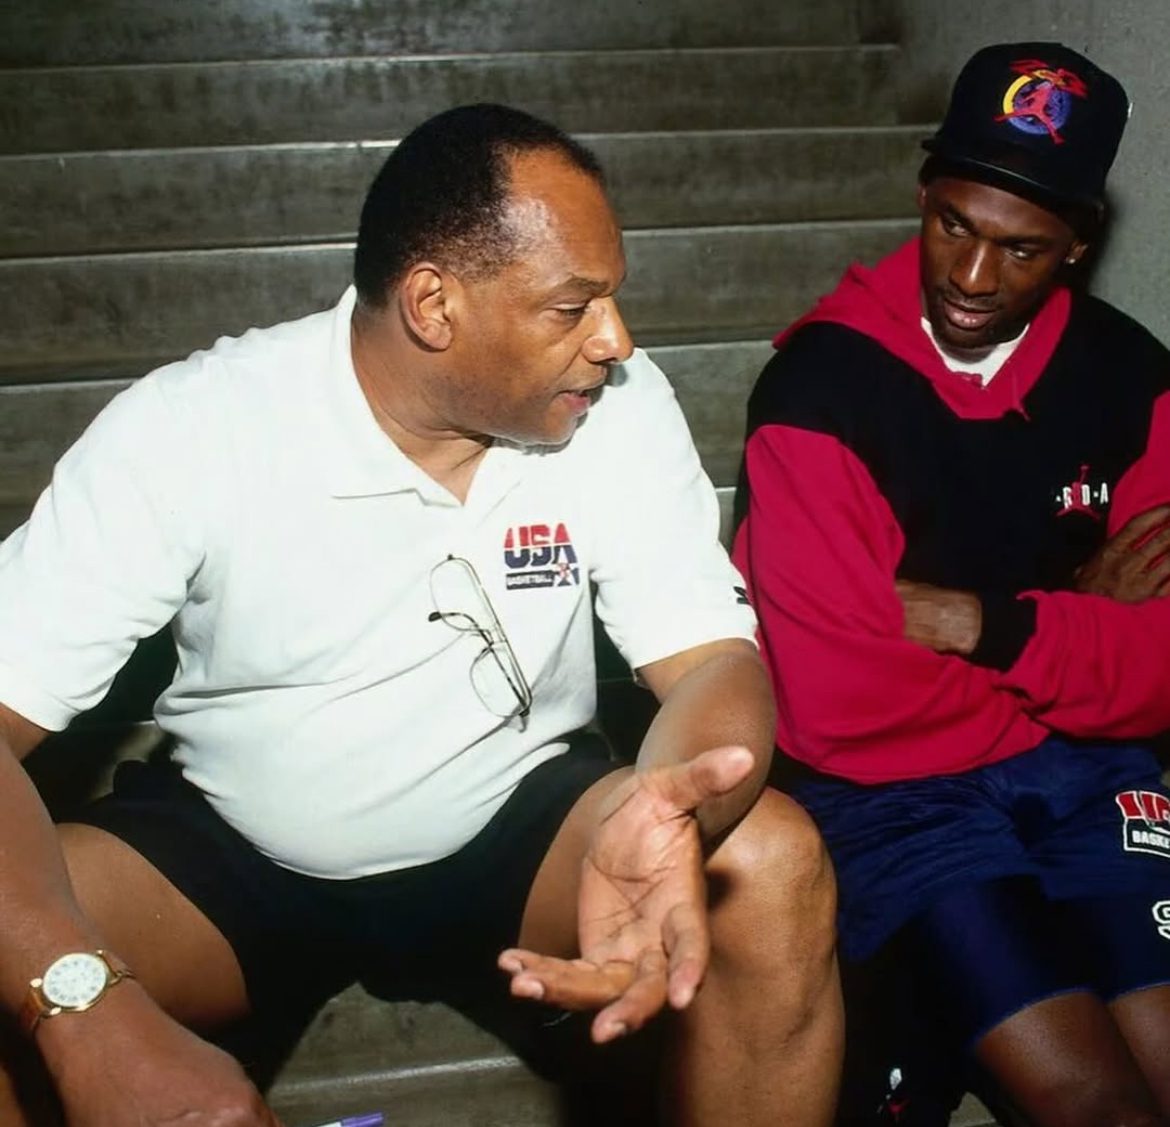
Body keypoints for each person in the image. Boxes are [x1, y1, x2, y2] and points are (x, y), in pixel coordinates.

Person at [0, 104, 841, 1125]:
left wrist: (671, 811)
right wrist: (83, 1012)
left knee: (768, 860)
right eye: (573, 305)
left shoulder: (611, 402)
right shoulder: (196, 427)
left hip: (515, 819)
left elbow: (713, 662)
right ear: (434, 305)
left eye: (611, 300)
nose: (614, 340)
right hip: (235, 842)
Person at [733, 43, 1170, 1127]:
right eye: (953, 227)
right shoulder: (821, 392)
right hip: (900, 795)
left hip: (1088, 765)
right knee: (1098, 1103)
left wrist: (982, 625)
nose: (972, 279)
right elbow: (839, 707)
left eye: (1021, 250)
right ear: (924, 196)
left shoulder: (1133, 380)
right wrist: (1083, 639)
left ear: (1078, 247)